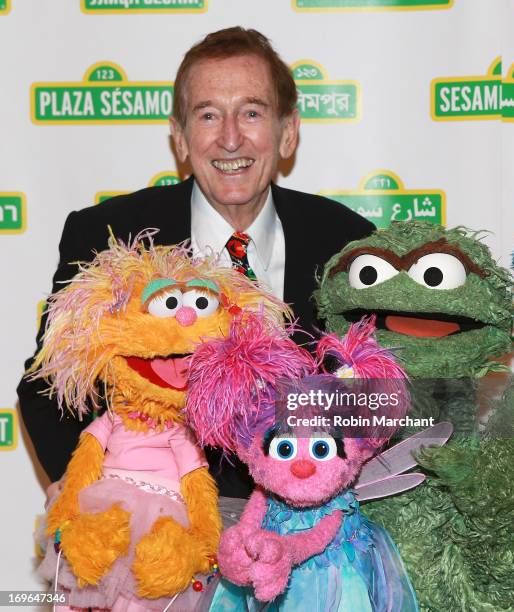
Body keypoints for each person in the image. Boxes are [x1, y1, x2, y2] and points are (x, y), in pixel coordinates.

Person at [17, 27, 375, 505]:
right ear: (180, 137)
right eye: (208, 115)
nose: (230, 138)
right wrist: (97, 496)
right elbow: (49, 388)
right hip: (160, 537)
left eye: (251, 112)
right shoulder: (109, 237)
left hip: (313, 535)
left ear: (287, 132)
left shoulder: (348, 243)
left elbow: (381, 391)